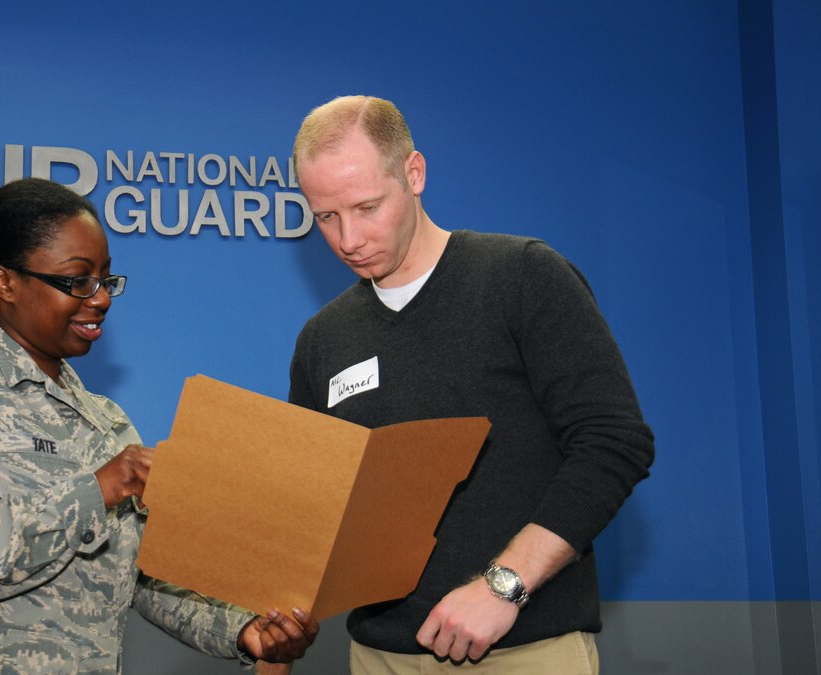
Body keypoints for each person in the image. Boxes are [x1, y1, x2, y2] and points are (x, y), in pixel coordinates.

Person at [0, 177, 318, 673]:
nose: (101, 298)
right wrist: (95, 491)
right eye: (77, 280)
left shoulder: (104, 419)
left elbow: (142, 574)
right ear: (5, 282)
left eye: (106, 280)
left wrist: (242, 628)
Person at [275, 96, 655, 673]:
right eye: (325, 216)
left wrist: (504, 587)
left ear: (415, 173)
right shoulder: (322, 339)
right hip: (379, 655)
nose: (349, 237)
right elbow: (316, 502)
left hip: (521, 647)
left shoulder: (522, 277)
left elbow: (613, 443)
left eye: (367, 207)